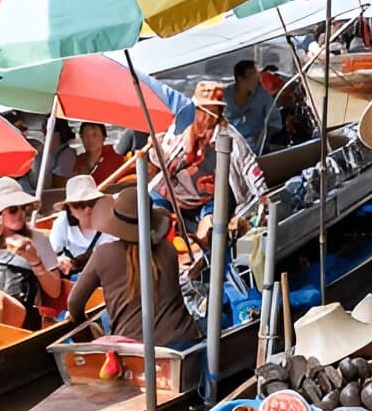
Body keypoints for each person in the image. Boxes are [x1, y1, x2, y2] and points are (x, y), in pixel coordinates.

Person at [67, 191, 201, 345]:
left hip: (133, 348)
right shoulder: (168, 249)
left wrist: (85, 331)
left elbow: (74, 303)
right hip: (184, 339)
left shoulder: (103, 254)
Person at [148, 81, 268, 250]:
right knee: (153, 216)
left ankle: (200, 249)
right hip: (170, 192)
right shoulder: (180, 128)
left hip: (205, 197)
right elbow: (160, 159)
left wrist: (262, 195)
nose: (208, 118)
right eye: (203, 111)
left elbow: (248, 165)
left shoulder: (228, 136)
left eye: (214, 112)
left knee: (209, 224)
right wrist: (156, 146)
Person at [0, 177, 62, 329]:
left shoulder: (37, 239)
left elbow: (55, 291)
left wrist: (35, 261)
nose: (20, 214)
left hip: (21, 316)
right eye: (13, 210)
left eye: (23, 208)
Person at [49, 175, 116, 278]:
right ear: (69, 209)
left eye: (92, 203)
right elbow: (50, 253)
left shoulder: (110, 224)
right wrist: (59, 260)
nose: (87, 209)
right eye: (79, 205)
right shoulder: (63, 220)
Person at [225, 59, 277, 153]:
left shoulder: (262, 95)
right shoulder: (224, 97)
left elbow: (275, 122)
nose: (256, 79)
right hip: (232, 152)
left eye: (256, 75)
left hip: (259, 151)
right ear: (240, 79)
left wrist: (263, 138)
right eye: (252, 76)